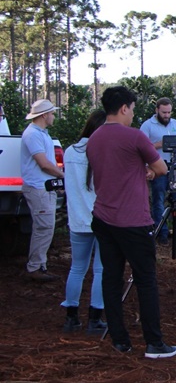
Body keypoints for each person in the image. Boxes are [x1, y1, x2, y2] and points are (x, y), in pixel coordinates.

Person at [87, 86, 176, 358]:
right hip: (133, 221)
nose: (133, 114)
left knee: (111, 279)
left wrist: (141, 172)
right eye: (133, 109)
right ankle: (154, 343)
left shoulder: (94, 138)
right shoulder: (135, 136)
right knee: (146, 280)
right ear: (124, 107)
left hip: (103, 218)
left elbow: (115, 170)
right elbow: (161, 168)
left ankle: (120, 340)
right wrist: (148, 171)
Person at [61, 110, 108, 334]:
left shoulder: (70, 151)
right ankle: (95, 318)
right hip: (102, 220)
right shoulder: (103, 152)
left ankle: (71, 317)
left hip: (78, 219)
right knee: (101, 270)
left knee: (77, 268)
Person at [20, 99, 65, 281]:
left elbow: (48, 164)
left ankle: (40, 265)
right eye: (52, 113)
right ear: (44, 115)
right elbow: (44, 164)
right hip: (38, 187)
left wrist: (57, 182)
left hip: (44, 186)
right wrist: (63, 177)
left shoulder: (42, 134)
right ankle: (35, 267)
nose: (53, 116)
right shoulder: (33, 134)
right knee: (44, 226)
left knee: (46, 226)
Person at [139, 97, 176, 245]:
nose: (166, 115)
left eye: (169, 112)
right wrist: (159, 144)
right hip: (157, 169)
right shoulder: (147, 126)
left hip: (175, 168)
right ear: (157, 110)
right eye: (164, 112)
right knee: (158, 200)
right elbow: (141, 149)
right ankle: (162, 233)